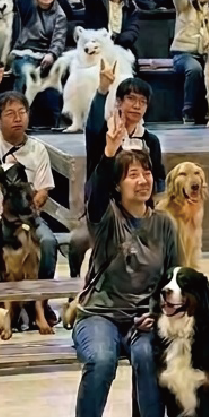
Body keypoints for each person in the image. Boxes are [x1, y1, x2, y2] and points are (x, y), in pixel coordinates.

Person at [71, 112, 177, 417]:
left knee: (147, 356)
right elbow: (95, 191)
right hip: (99, 314)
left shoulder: (164, 225)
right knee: (101, 361)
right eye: (132, 174)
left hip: (144, 317)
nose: (142, 180)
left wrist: (159, 315)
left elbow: (174, 279)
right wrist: (109, 152)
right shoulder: (105, 218)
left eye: (146, 173)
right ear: (118, 185)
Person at [71, 63, 167, 277]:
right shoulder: (104, 133)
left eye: (143, 102)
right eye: (131, 99)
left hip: (140, 210)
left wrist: (158, 205)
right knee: (79, 242)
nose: (137, 106)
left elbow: (159, 177)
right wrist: (102, 89)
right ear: (119, 102)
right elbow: (93, 124)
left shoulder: (151, 141)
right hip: (105, 211)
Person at [0, 69, 59, 281]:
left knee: (47, 242)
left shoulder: (38, 149)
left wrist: (27, 210)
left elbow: (43, 191)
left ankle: (42, 295)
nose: (17, 118)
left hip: (26, 216)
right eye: (9, 114)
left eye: (22, 112)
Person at [12, 0, 67, 98]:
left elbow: (59, 38)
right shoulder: (28, 8)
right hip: (25, 54)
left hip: (48, 56)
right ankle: (19, 104)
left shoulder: (60, 13)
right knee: (27, 72)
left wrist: (52, 54)